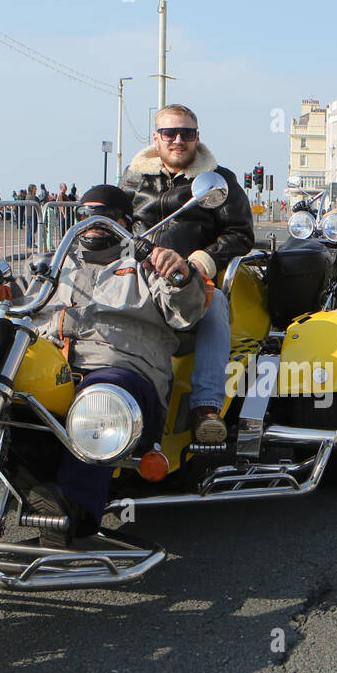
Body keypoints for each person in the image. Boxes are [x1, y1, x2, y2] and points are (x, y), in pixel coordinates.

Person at [0, 185, 206, 544]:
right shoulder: (53, 265)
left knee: (98, 397)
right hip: (46, 372)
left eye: (106, 216)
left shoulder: (148, 266)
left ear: (126, 223)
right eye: (85, 215)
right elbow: (5, 300)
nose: (93, 224)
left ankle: (71, 511)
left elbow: (187, 313)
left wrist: (182, 275)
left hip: (120, 374)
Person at [119, 103, 254, 444]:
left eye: (187, 133)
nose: (178, 139)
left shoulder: (218, 180)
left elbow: (240, 234)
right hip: (139, 272)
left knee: (214, 304)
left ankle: (205, 409)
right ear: (156, 138)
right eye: (169, 133)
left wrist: (199, 262)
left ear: (197, 137)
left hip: (193, 276)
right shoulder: (134, 178)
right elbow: (115, 222)